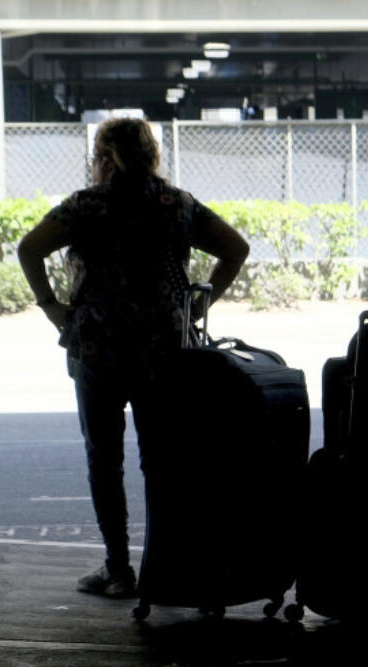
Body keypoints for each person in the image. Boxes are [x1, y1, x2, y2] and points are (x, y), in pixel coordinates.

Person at [17, 118, 249, 599]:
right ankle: (163, 567)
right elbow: (235, 248)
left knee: (104, 459)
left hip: (97, 348)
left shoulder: (86, 205)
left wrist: (52, 308)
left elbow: (29, 248)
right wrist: (200, 304)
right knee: (160, 460)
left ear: (102, 158)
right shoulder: (176, 204)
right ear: (154, 157)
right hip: (161, 350)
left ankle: (118, 569)